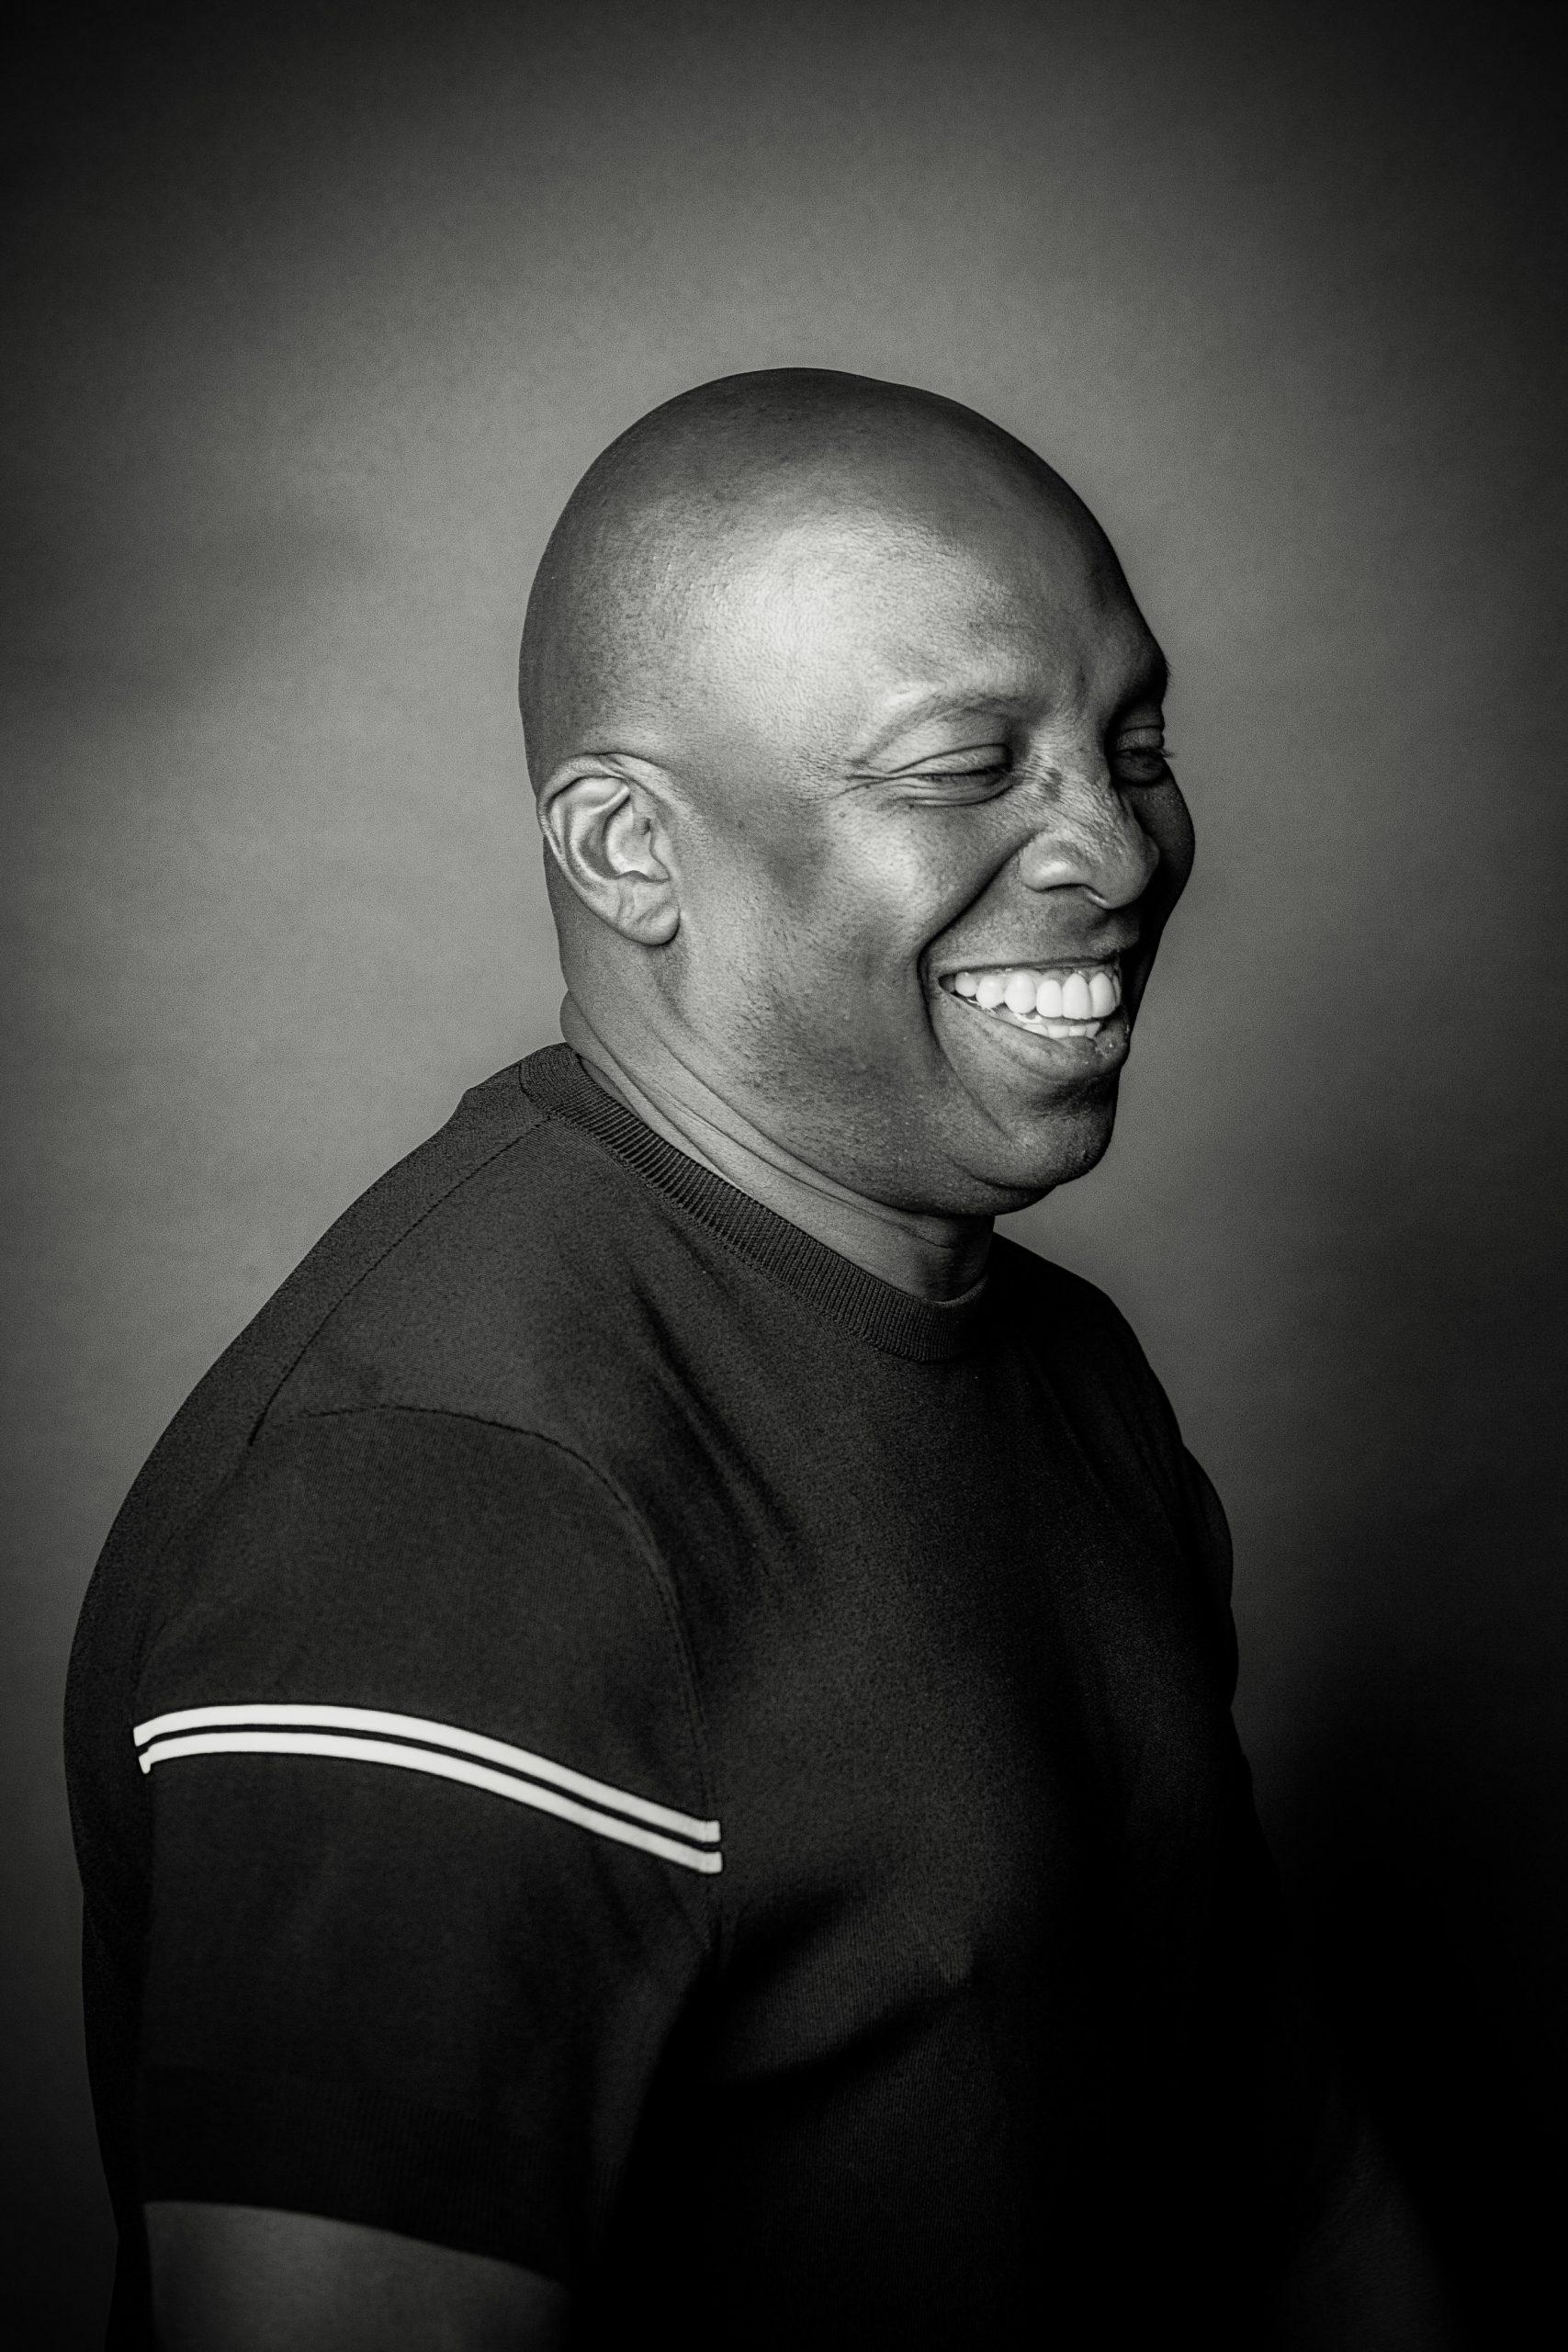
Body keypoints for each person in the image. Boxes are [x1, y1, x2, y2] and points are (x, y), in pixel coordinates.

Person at [66, 369, 1450, 2349]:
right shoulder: (449, 1508)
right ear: (629, 847)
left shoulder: (1064, 1367)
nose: (1120, 849)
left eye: (1131, 741)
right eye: (964, 765)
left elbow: (1266, 2151)